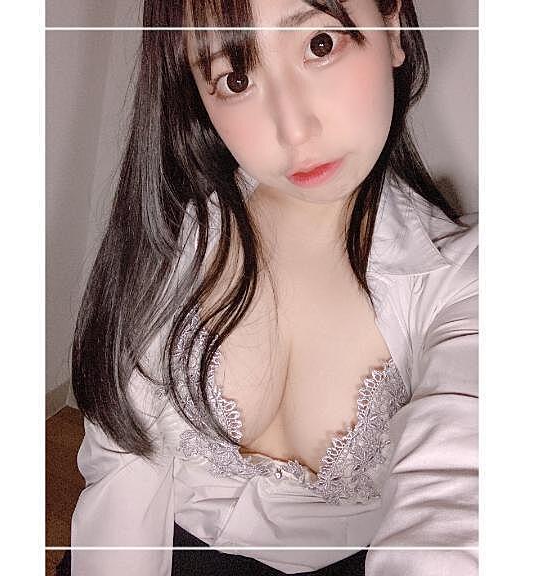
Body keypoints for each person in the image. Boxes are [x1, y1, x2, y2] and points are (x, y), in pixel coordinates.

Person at [70, 0, 478, 575]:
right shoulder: (173, 243)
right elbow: (123, 469)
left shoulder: (463, 285)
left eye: (319, 45)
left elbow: (458, 506)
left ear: (391, 28)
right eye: (236, 78)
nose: (293, 129)